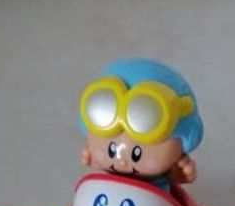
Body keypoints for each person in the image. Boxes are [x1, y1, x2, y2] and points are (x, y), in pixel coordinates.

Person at [78, 57, 204, 192]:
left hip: (155, 201)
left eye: (136, 154)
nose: (122, 162)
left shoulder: (169, 169)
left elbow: (178, 178)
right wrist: (96, 160)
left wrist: (177, 174)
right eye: (112, 150)